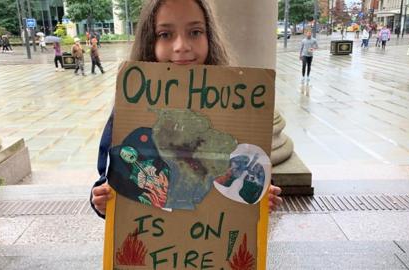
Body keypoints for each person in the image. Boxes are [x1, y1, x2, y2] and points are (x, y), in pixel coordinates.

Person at [90, 0, 283, 218]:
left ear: (209, 37)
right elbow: (109, 176)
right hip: (154, 242)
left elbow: (256, 177)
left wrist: (266, 197)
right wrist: (102, 200)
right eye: (165, 34)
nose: (181, 45)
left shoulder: (235, 105)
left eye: (195, 32)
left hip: (213, 242)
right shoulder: (130, 108)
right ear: (150, 41)